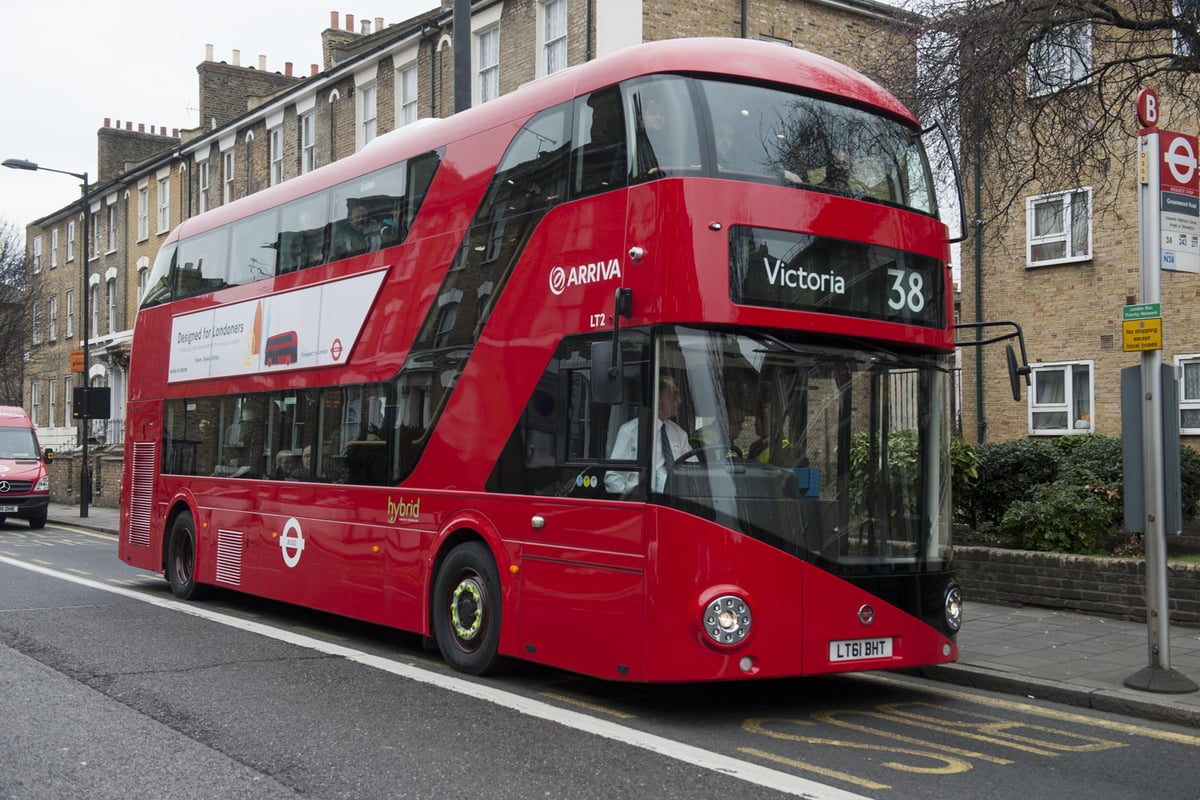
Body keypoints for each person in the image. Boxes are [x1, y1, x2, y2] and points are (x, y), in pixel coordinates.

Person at [604, 375, 691, 495]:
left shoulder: (680, 434)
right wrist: (630, 500)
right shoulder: (630, 431)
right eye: (674, 395)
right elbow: (612, 477)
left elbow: (693, 469)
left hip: (675, 503)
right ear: (659, 397)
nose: (679, 401)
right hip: (643, 502)